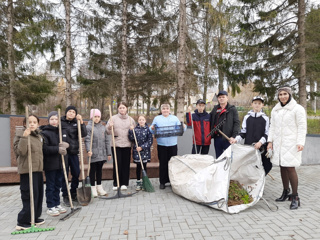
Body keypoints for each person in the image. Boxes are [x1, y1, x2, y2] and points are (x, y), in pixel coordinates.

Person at [267, 86, 307, 210]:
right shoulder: (276, 109)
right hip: (279, 143)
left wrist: (300, 142)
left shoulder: (297, 108)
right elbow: (272, 126)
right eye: (280, 94)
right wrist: (270, 141)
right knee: (282, 166)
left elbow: (302, 126)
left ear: (290, 95)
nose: (283, 96)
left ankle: (295, 197)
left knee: (290, 168)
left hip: (291, 143)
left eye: (285, 94)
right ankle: (286, 192)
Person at [13, 114, 45, 230]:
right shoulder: (20, 135)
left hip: (37, 169)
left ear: (38, 124)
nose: (32, 124)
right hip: (27, 170)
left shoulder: (38, 136)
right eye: (29, 122)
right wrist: (24, 137)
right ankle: (22, 221)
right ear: (24, 124)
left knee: (38, 194)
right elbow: (21, 152)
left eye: (34, 122)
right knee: (28, 195)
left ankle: (34, 217)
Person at [230, 96, 272, 175]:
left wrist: (260, 142)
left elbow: (267, 133)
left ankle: (260, 180)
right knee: (249, 167)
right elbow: (243, 132)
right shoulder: (247, 117)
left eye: (259, 103)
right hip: (249, 147)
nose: (257, 105)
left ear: (262, 105)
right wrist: (236, 139)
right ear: (252, 104)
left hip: (261, 148)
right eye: (255, 103)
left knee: (265, 165)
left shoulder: (265, 118)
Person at [150, 103, 186, 189]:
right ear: (161, 110)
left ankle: (171, 181)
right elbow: (152, 129)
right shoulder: (157, 118)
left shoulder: (174, 118)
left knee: (172, 163)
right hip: (161, 145)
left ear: (169, 110)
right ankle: (162, 182)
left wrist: (184, 126)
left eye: (167, 108)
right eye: (163, 109)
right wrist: (151, 128)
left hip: (172, 144)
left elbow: (180, 128)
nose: (165, 110)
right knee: (163, 163)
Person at [40, 111, 69, 216]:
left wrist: (66, 145)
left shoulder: (61, 131)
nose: (54, 121)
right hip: (50, 164)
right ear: (48, 120)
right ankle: (50, 205)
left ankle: (57, 203)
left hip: (60, 163)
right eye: (52, 119)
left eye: (56, 119)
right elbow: (44, 148)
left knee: (58, 185)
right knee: (51, 185)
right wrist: (57, 148)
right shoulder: (44, 133)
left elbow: (66, 144)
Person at [61, 106, 87, 206]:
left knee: (76, 172)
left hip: (74, 152)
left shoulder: (77, 122)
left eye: (73, 112)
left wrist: (81, 122)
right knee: (65, 173)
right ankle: (65, 195)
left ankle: (73, 192)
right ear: (66, 112)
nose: (71, 113)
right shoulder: (61, 122)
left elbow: (83, 134)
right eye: (69, 111)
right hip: (64, 153)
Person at [106, 102, 135, 190]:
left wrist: (132, 130)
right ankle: (116, 183)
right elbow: (107, 132)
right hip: (116, 144)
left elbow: (134, 133)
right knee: (117, 164)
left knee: (126, 164)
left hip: (127, 144)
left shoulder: (131, 119)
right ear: (118, 109)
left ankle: (124, 183)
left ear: (126, 108)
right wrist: (110, 127)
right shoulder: (113, 118)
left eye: (123, 107)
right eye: (120, 108)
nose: (122, 109)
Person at [85, 109, 111, 197]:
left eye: (98, 117)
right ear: (92, 117)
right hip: (93, 153)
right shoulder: (88, 127)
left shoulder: (102, 127)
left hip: (102, 153)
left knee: (99, 171)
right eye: (95, 117)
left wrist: (109, 153)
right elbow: (87, 140)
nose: (96, 118)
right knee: (92, 171)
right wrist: (88, 150)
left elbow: (107, 140)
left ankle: (99, 187)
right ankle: (93, 187)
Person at [209, 90, 240, 158]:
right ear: (218, 99)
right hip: (217, 138)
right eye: (220, 97)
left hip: (228, 138)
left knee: (229, 158)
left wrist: (234, 136)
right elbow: (209, 119)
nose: (221, 98)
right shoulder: (215, 109)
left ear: (227, 98)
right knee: (219, 157)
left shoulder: (232, 109)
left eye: (223, 97)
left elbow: (236, 123)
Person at [128, 114, 153, 190]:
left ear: (145, 121)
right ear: (137, 121)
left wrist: (142, 147)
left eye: (143, 120)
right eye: (140, 120)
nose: (141, 121)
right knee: (138, 167)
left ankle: (144, 182)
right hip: (137, 152)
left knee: (144, 167)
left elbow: (150, 141)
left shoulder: (148, 130)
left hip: (145, 152)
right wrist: (131, 131)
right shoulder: (135, 129)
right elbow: (131, 139)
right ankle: (138, 182)